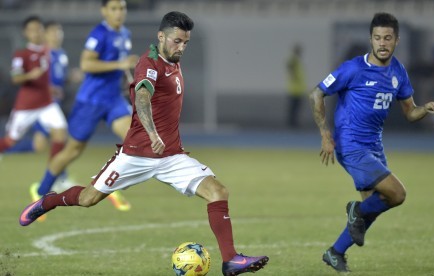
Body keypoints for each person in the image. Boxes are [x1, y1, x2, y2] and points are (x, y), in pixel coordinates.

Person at [19, 11, 269, 276]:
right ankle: (48, 202)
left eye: (186, 42)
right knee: (87, 198)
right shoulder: (149, 63)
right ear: (161, 36)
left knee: (218, 192)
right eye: (176, 41)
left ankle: (230, 261)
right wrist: (152, 134)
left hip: (171, 157)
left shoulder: (172, 61)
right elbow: (141, 97)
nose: (181, 47)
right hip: (136, 155)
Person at [308, 12, 434, 272]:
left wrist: (425, 109)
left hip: (375, 146)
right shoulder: (353, 68)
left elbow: (410, 112)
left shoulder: (398, 71)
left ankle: (335, 252)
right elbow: (317, 94)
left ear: (396, 40)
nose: (382, 43)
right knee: (397, 194)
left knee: (374, 207)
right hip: (351, 145)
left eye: (387, 38)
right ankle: (356, 211)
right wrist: (325, 134)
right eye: (377, 38)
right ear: (370, 40)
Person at [31, 0, 140, 213]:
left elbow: (120, 67)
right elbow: (86, 64)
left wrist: (127, 80)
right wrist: (121, 64)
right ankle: (41, 190)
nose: (119, 13)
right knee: (72, 150)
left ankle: (107, 182)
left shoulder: (124, 33)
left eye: (122, 8)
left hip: (113, 100)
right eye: (114, 9)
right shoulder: (99, 33)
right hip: (90, 101)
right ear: (104, 11)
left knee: (134, 140)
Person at [0, 15, 67, 170]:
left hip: (46, 103)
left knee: (61, 133)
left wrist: (51, 88)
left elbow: (43, 79)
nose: (36, 32)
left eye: (39, 29)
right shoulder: (21, 54)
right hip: (27, 106)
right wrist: (30, 75)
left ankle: (53, 176)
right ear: (26, 33)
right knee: (11, 140)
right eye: (32, 30)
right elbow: (15, 78)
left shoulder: (46, 51)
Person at [286, 43, 307, 128]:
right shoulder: (294, 60)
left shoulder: (297, 60)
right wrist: (293, 76)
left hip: (299, 89)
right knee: (294, 108)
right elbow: (289, 66)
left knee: (296, 108)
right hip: (294, 89)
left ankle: (294, 122)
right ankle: (292, 123)